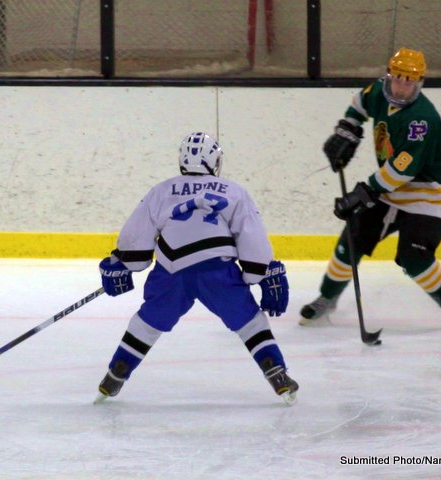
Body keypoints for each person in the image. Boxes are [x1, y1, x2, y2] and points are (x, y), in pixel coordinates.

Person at [95, 132, 298, 405]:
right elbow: (251, 237)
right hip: (218, 272)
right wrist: (259, 272)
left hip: (170, 272)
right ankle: (276, 373)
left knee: (147, 323)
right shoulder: (234, 191)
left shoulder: (161, 190)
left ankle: (116, 373)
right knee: (251, 322)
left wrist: (125, 263)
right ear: (214, 160)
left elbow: (136, 237)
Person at [300, 48, 441, 328]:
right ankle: (327, 298)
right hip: (389, 189)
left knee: (413, 258)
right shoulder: (379, 91)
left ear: (419, 82)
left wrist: (362, 193)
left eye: (409, 80)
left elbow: (402, 170)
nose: (402, 85)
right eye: (398, 77)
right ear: (389, 75)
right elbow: (360, 102)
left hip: (429, 195)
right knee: (352, 239)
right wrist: (348, 129)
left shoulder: (421, 119)